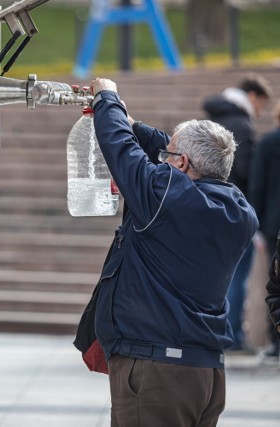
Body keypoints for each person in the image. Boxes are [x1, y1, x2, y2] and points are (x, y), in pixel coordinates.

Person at [76, 78, 258, 427]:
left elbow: (124, 155)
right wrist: (132, 124)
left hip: (158, 372)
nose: (160, 160)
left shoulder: (169, 199)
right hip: (204, 371)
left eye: (169, 156)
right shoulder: (236, 210)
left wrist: (107, 98)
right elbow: (166, 153)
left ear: (183, 163)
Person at [202, 74, 272, 351]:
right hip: (231, 210)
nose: (260, 112)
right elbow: (243, 170)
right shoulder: (241, 124)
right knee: (235, 275)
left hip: (207, 207)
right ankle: (230, 336)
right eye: (262, 105)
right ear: (253, 97)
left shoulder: (213, 118)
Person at [249, 100, 280, 359]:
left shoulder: (268, 142)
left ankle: (276, 342)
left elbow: (258, 185)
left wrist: (256, 225)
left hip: (274, 224)